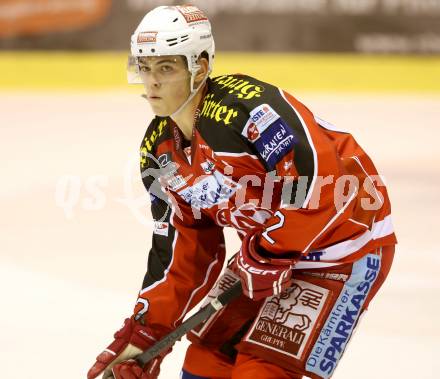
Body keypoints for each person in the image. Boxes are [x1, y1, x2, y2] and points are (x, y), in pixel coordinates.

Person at [87, 5, 397, 379]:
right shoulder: (158, 151)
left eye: (166, 68)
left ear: (199, 67)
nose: (151, 82)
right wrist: (146, 332)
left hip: (343, 249)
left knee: (262, 369)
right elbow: (184, 247)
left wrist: (268, 253)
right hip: (267, 250)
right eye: (144, 67)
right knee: (206, 359)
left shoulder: (248, 112)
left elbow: (319, 184)